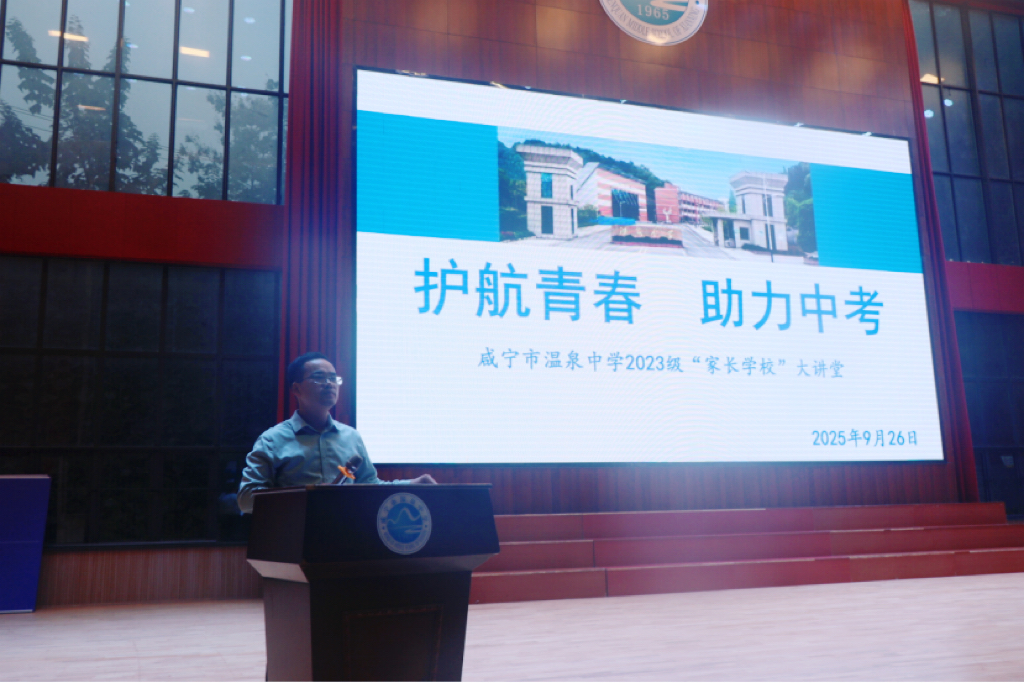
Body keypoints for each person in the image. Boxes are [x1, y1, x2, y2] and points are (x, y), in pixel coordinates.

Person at [237, 352, 436, 513]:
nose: (329, 383)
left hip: (346, 537)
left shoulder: (351, 437)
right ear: (296, 389)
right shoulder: (272, 440)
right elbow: (245, 500)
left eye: (333, 378)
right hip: (293, 538)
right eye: (319, 378)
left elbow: (370, 485)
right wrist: (307, 495)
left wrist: (411, 484)